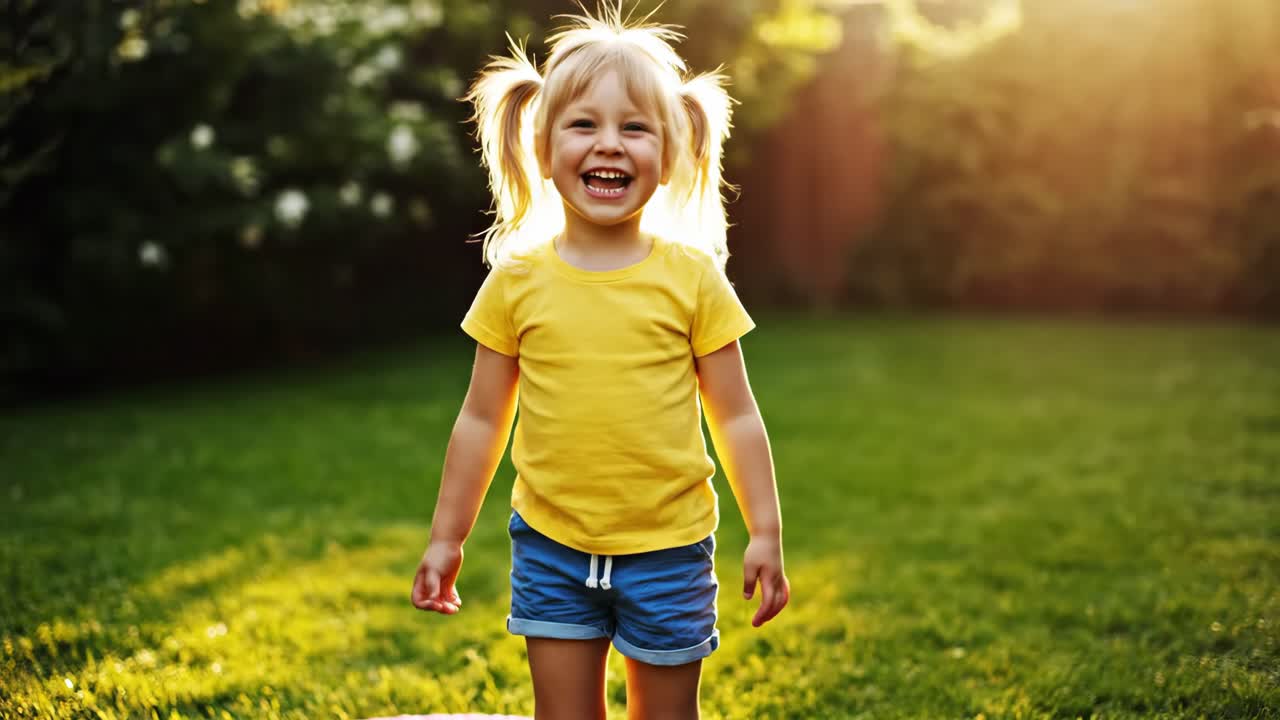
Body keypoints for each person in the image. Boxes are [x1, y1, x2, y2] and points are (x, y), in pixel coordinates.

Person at [411, 4, 790, 718]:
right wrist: (445, 537)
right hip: (552, 549)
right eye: (584, 124)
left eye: (635, 127)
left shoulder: (693, 277)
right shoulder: (517, 282)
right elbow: (480, 419)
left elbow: (736, 414)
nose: (609, 145)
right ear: (544, 144)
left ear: (672, 149)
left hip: (671, 552)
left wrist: (765, 531)